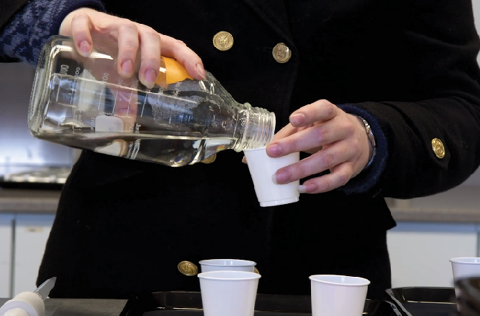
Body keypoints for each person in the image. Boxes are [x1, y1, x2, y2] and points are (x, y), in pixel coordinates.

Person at [2, 0, 480, 301]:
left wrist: (374, 136)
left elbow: (461, 107)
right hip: (122, 258)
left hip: (315, 275)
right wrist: (54, 18)